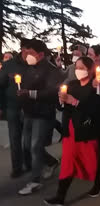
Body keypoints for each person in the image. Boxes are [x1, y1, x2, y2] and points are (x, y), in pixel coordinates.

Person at [44, 57, 100, 206]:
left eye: (82, 67)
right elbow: (62, 107)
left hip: (88, 132)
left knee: (95, 160)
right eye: (76, 67)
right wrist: (61, 101)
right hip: (71, 130)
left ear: (90, 69)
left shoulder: (96, 86)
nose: (78, 70)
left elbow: (95, 110)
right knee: (67, 162)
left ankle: (97, 184)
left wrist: (74, 101)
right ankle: (60, 197)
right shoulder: (72, 84)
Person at [17, 39, 64, 195]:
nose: (27, 56)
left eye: (30, 53)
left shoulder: (51, 70)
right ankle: (51, 162)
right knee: (26, 146)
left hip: (43, 114)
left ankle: (35, 181)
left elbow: (52, 92)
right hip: (29, 112)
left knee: (35, 147)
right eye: (25, 52)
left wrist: (29, 93)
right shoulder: (29, 68)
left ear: (41, 54)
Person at [0, 39, 30, 178]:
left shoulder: (32, 65)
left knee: (29, 138)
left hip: (29, 107)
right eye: (28, 51)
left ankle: (30, 163)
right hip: (13, 107)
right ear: (23, 49)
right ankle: (17, 167)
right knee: (15, 137)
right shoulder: (8, 66)